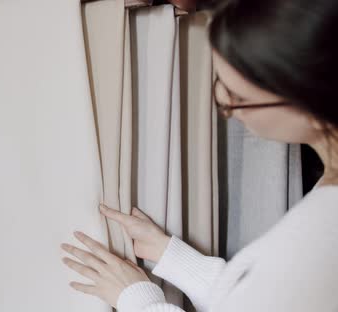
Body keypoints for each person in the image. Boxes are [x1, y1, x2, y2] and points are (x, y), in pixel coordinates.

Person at [60, 0, 338, 311]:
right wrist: (175, 258)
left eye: (239, 98)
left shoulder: (323, 232)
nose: (223, 104)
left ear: (309, 104)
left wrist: (140, 299)